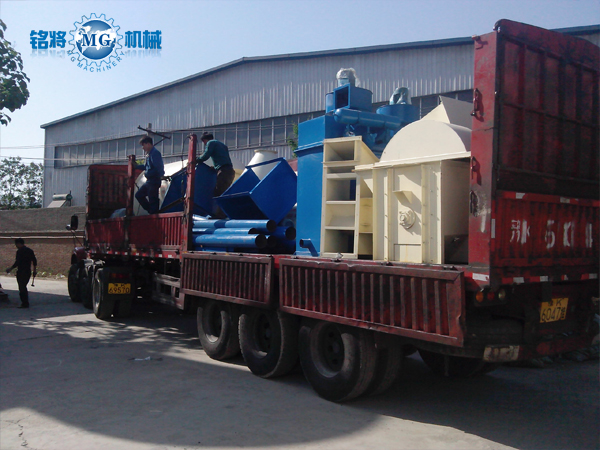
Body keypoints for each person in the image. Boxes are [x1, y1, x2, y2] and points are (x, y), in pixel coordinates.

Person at [197, 132, 235, 198]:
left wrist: (196, 160)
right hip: (230, 171)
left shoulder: (210, 143)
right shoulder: (222, 145)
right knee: (224, 192)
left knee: (218, 193)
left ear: (204, 140)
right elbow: (223, 160)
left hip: (223, 171)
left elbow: (206, 156)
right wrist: (215, 167)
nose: (204, 144)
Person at [135, 136, 165, 214]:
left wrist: (160, 175)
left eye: (143, 145)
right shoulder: (149, 154)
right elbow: (146, 166)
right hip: (149, 181)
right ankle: (151, 211)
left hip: (154, 181)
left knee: (153, 200)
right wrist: (136, 166)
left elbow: (159, 167)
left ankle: (153, 213)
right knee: (139, 195)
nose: (142, 148)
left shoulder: (155, 153)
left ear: (148, 144)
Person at [5, 238, 37, 309]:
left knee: (22, 287)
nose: (16, 246)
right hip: (27, 271)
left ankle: (24, 303)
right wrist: (34, 270)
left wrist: (10, 268)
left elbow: (17, 262)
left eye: (16, 244)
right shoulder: (30, 250)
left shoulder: (20, 251)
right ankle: (25, 302)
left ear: (18, 244)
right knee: (24, 286)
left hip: (21, 271)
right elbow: (34, 261)